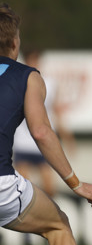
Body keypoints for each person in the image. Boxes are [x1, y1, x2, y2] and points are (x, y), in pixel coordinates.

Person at [0, 4, 92, 245]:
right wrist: (75, 183)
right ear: (15, 43)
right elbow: (42, 132)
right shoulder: (27, 77)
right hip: (2, 186)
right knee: (58, 226)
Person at [13, 48, 76, 198]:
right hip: (22, 141)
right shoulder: (17, 82)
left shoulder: (49, 84)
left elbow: (57, 113)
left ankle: (44, 218)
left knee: (50, 189)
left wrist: (67, 138)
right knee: (23, 190)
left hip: (43, 141)